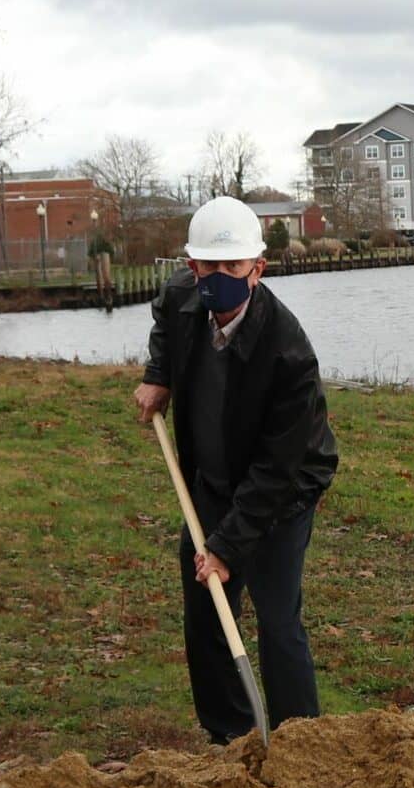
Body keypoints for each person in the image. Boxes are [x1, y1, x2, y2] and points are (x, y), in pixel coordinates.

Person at [132, 195, 338, 742]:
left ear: (257, 269)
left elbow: (276, 469)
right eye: (208, 267)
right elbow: (165, 321)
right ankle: (231, 734)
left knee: (276, 618)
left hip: (283, 491)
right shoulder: (182, 294)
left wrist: (227, 547)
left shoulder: (288, 354)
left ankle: (300, 742)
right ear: (191, 264)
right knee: (205, 613)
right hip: (213, 479)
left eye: (233, 268)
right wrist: (160, 373)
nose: (218, 278)